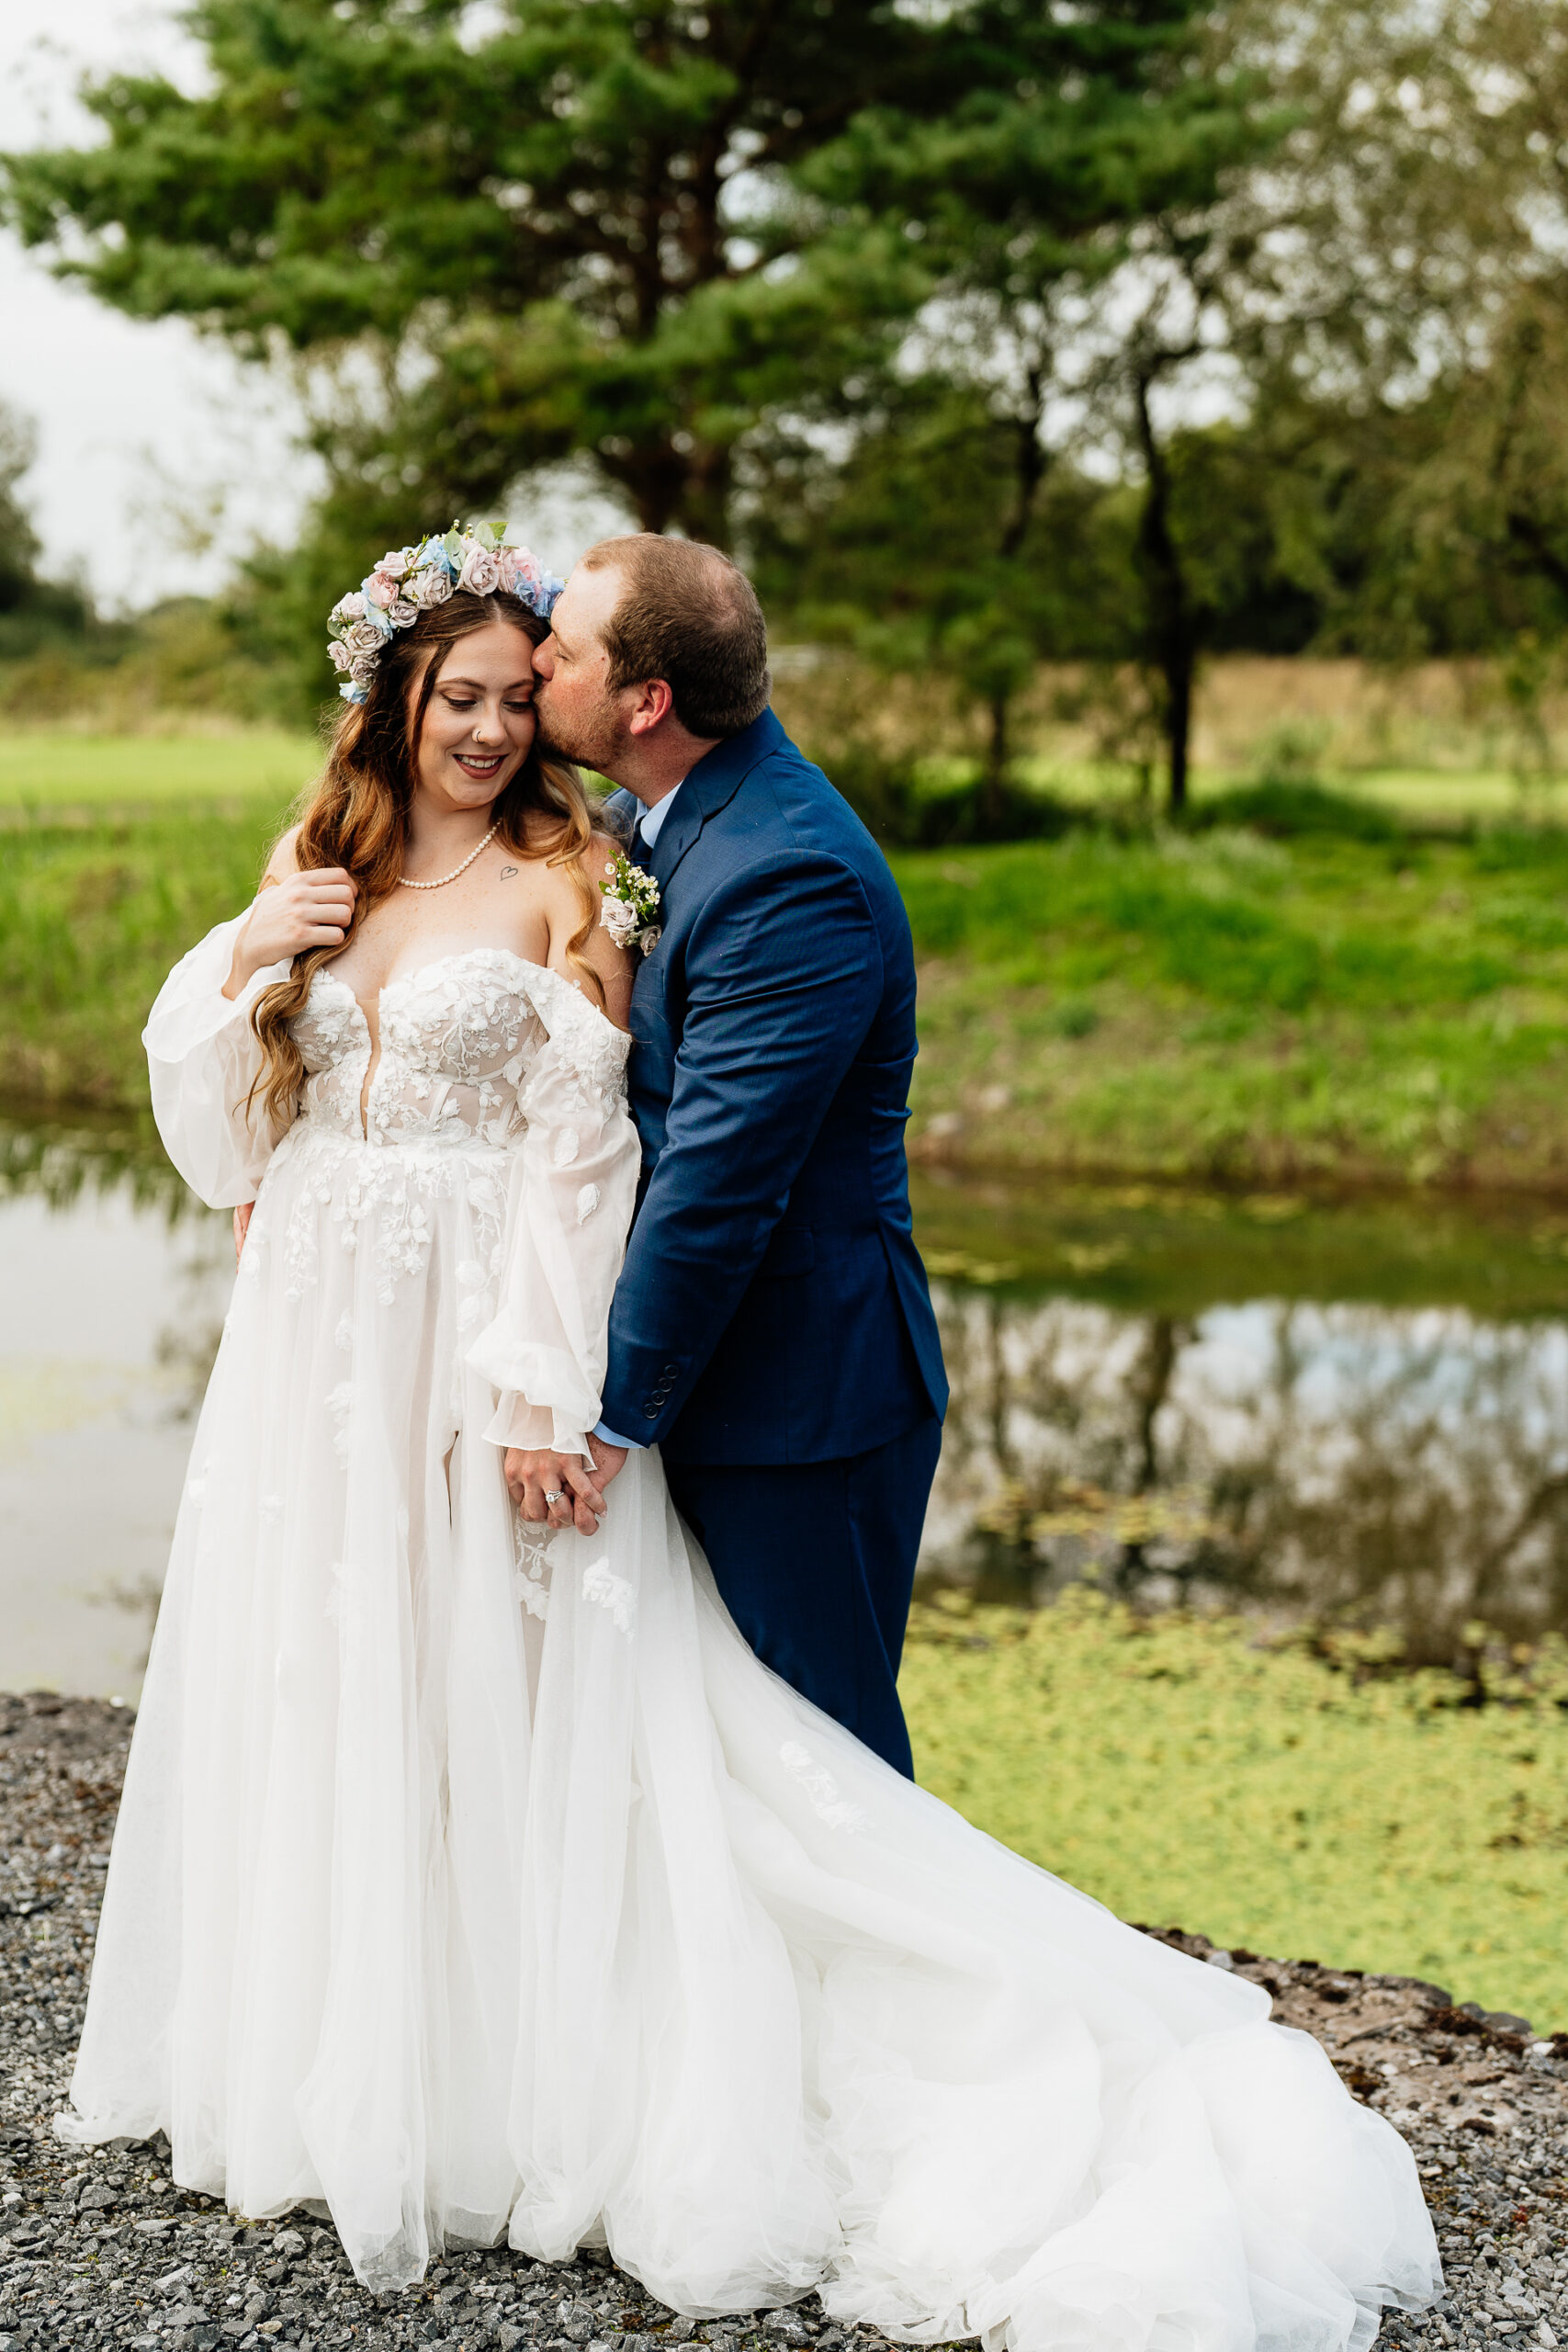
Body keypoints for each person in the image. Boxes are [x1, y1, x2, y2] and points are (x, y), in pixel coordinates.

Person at [59, 526, 1442, 2352]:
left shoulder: (637, 865)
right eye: (461, 689)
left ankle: (804, 2053)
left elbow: (643, 1167)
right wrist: (257, 949)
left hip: (661, 1363)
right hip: (326, 1345)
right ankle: (373, 2045)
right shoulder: (371, 856)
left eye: (525, 680)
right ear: (389, 701)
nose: (497, 713)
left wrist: (574, 1391)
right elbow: (241, 1116)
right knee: (357, 1674)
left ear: (623, 699)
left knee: (754, 1736)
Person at [512, 533, 946, 1779]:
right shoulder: (668, 817)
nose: (540, 662)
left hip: (801, 1403)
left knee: (825, 1761)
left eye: (567, 648)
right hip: (720, 1379)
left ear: (646, 700)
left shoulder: (788, 875)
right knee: (716, 1768)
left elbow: (718, 1183)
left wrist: (605, 1417)